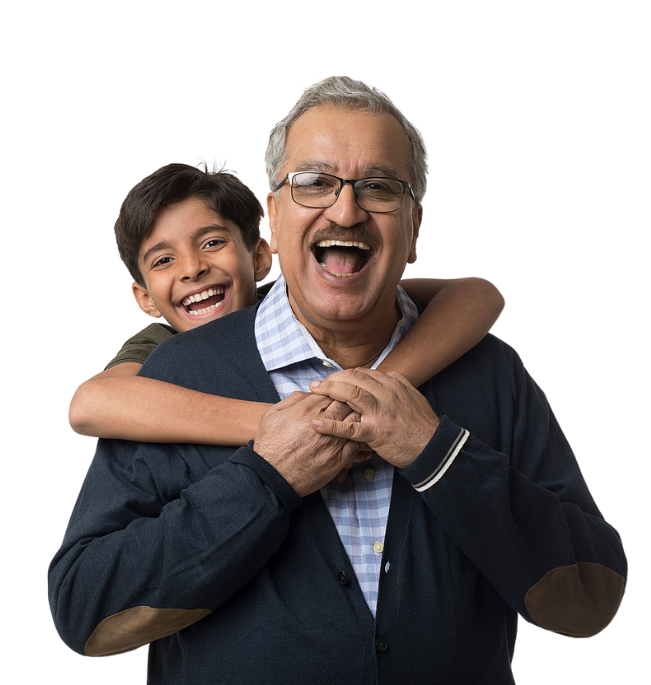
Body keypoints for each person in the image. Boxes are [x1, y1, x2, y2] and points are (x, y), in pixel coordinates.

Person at [49, 76, 626, 684]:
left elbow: (590, 599)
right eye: (314, 182)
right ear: (272, 213)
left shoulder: (490, 373)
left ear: (413, 226)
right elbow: (86, 610)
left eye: (378, 187)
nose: (345, 209)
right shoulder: (175, 374)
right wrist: (266, 479)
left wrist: (437, 454)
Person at [66, 159, 504, 446]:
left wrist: (364, 396)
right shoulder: (159, 344)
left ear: (261, 256)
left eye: (213, 242)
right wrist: (293, 425)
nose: (192, 268)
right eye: (164, 260)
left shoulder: (302, 300)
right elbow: (90, 405)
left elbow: (477, 295)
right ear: (144, 298)